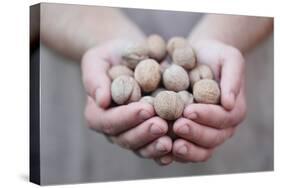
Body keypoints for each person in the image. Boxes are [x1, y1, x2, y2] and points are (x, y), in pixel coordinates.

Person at [40, 4, 273, 166]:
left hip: (242, 84)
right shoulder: (134, 72)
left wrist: (222, 35)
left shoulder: (190, 76)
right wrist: (105, 36)